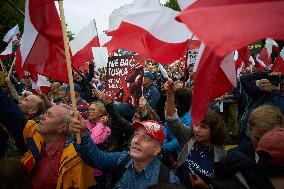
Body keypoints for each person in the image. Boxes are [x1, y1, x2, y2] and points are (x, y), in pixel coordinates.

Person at [69, 115, 179, 189]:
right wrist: (83, 133)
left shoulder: (168, 181)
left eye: (146, 138)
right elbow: (95, 158)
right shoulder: (123, 159)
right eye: (136, 134)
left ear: (156, 149)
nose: (136, 141)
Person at [164, 79, 227, 189]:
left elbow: (222, 183)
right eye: (196, 124)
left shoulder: (222, 154)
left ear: (214, 130)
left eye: (203, 127)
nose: (197, 130)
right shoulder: (188, 136)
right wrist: (170, 95)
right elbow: (172, 120)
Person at [238, 71, 284, 159]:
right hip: (247, 138)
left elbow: (281, 109)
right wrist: (267, 73)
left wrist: (275, 91)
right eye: (270, 80)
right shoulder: (259, 93)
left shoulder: (279, 98)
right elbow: (244, 78)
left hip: (267, 142)